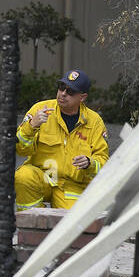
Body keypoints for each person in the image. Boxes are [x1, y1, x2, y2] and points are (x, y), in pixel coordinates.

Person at [14, 69, 110, 209]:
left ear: (82, 97)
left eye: (70, 92)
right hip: (44, 177)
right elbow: (19, 149)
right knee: (23, 176)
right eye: (61, 87)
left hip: (73, 187)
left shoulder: (94, 121)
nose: (63, 94)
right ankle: (32, 224)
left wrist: (90, 163)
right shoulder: (40, 109)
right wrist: (31, 126)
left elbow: (104, 162)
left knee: (71, 227)